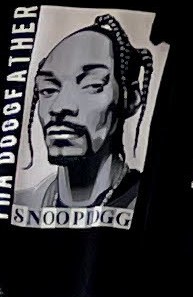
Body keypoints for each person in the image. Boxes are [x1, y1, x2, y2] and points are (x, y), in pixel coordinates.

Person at [15, 16, 150, 225]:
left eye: (92, 85)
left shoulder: (149, 204)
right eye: (48, 89)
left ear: (131, 100)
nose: (59, 107)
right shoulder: (22, 203)